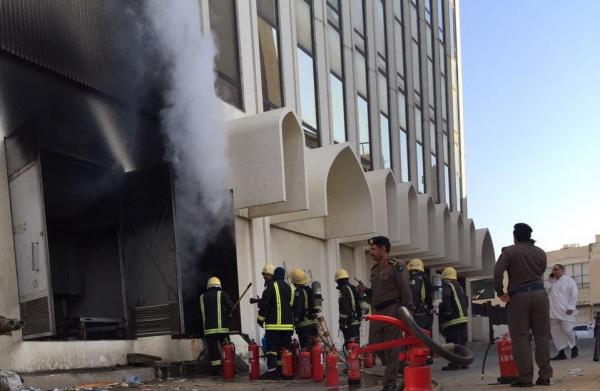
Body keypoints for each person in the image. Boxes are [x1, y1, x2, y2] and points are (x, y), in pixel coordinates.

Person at [493, 223, 552, 387]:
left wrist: (500, 292)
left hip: (519, 297)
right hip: (540, 295)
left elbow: (497, 272)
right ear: (529, 236)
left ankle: (525, 378)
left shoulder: (510, 251)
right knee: (542, 337)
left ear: (515, 236)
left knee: (521, 338)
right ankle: (545, 376)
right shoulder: (540, 252)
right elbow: (540, 270)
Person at [357, 236, 413, 391]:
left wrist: (408, 312)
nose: (370, 252)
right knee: (375, 346)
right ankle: (404, 367)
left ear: (383, 249)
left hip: (392, 311)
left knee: (393, 347)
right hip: (377, 313)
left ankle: (389, 384)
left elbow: (405, 289)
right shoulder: (374, 270)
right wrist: (365, 291)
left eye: (373, 249)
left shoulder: (396, 266)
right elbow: (375, 294)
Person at [257, 266, 294, 379]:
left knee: (272, 349)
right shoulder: (290, 288)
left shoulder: (271, 286)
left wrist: (260, 318)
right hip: (287, 326)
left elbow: (265, 305)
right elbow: (291, 305)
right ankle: (284, 371)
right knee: (284, 349)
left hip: (273, 326)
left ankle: (273, 372)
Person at [199, 277, 234, 375]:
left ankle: (216, 369)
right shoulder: (221, 294)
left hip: (208, 330)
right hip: (222, 329)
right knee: (226, 348)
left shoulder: (202, 297)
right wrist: (228, 314)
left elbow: (199, 313)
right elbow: (230, 306)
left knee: (213, 350)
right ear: (219, 285)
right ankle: (229, 367)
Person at [545, 264, 579, 360]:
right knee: (556, 333)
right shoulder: (551, 283)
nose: (554, 271)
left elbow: (574, 294)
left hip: (565, 311)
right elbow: (546, 291)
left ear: (562, 270)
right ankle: (561, 352)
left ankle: (574, 347)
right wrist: (550, 281)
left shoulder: (569, 281)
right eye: (553, 270)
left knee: (568, 330)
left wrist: (571, 307)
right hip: (553, 312)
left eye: (556, 269)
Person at [439, 267, 469, 371]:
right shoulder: (459, 286)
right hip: (463, 319)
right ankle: (464, 362)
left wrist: (447, 312)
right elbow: (466, 299)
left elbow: (446, 297)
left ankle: (454, 364)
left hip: (452, 320)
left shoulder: (447, 285)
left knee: (453, 343)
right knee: (462, 342)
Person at [290, 268, 318, 350]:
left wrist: (294, 321)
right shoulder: (309, 289)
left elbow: (297, 308)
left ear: (295, 280)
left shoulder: (298, 292)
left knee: (306, 350)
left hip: (304, 326)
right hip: (314, 323)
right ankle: (316, 362)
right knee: (314, 348)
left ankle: (307, 363)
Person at [335, 268, 362, 346]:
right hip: (356, 321)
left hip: (349, 323)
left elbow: (344, 308)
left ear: (339, 280)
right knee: (356, 345)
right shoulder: (353, 287)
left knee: (350, 346)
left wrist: (342, 323)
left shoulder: (344, 290)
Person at [407, 258, 433, 331]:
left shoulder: (414, 279)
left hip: (420, 314)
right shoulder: (425, 278)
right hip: (428, 314)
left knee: (416, 338)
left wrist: (414, 308)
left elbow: (414, 293)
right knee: (426, 339)